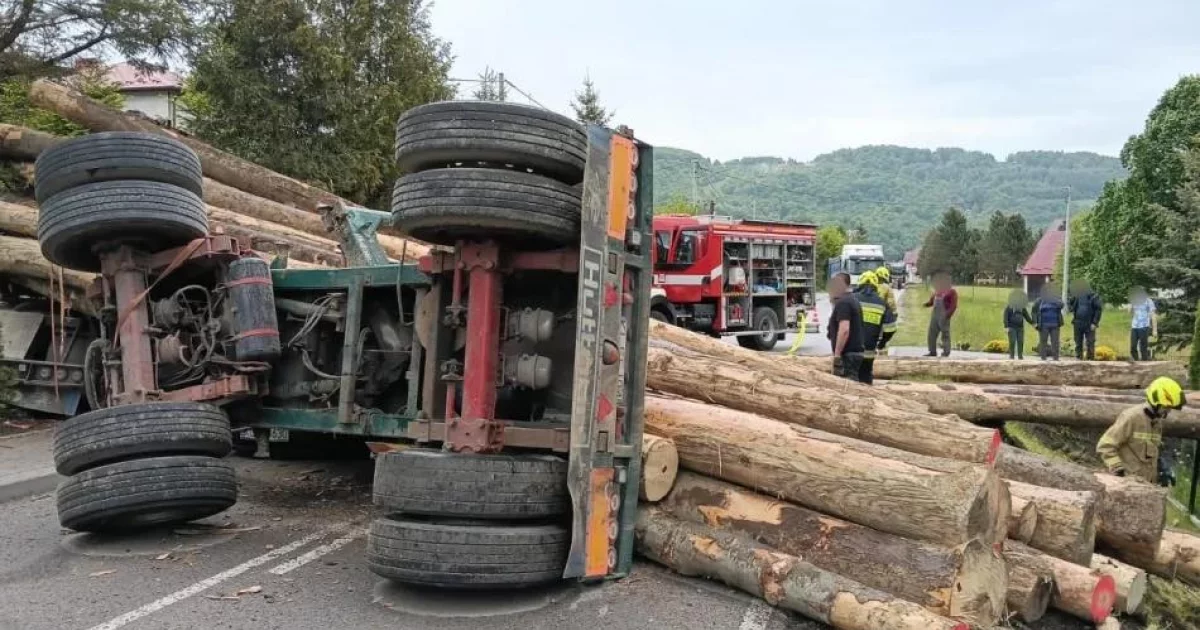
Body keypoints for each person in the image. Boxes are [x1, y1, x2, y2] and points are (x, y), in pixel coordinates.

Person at [1097, 377, 1186, 482]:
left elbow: (1149, 453)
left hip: (1146, 484)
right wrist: (1118, 469)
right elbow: (1105, 446)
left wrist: (1161, 468)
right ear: (1155, 402)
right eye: (1166, 407)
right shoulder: (1132, 417)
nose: (1168, 411)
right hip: (1128, 483)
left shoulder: (1156, 422)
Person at [826, 271, 865, 380]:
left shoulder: (844, 303)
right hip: (853, 354)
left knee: (847, 387)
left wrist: (837, 355)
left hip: (848, 356)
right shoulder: (852, 300)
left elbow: (844, 330)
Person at [854, 271, 890, 384]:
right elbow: (891, 328)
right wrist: (882, 343)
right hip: (869, 352)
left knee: (850, 380)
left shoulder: (852, 299)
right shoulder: (881, 303)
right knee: (866, 378)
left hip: (851, 352)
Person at [922, 271, 957, 357]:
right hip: (935, 315)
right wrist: (926, 304)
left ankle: (946, 352)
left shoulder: (952, 292)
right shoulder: (938, 291)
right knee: (931, 334)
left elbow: (953, 305)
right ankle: (932, 351)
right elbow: (932, 301)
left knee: (945, 334)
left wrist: (947, 315)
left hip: (944, 315)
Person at [1068, 279, 1103, 360]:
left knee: (1090, 342)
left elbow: (1098, 310)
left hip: (1089, 323)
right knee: (1078, 342)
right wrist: (1070, 302)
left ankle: (1090, 359)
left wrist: (1094, 323)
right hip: (1078, 322)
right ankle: (1078, 357)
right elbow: (1070, 304)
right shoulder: (1076, 296)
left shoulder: (1094, 296)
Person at [1032, 283, 1064, 361]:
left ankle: (1056, 358)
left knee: (1055, 342)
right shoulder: (1039, 300)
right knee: (1043, 342)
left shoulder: (1057, 299)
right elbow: (1034, 311)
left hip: (1055, 324)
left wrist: (1053, 300)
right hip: (1043, 325)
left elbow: (1062, 305)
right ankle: (1043, 358)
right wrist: (1035, 322)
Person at [1003, 289, 1034, 360]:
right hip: (1011, 327)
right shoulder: (1009, 307)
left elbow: (1027, 316)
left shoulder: (1022, 307)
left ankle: (1020, 356)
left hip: (1020, 328)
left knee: (1021, 341)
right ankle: (1011, 356)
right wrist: (1006, 327)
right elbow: (1005, 317)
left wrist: (1033, 323)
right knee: (1012, 341)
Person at [1129, 286, 1158, 361]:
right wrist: (1131, 306)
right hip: (1134, 326)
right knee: (1133, 346)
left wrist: (1154, 330)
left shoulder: (1149, 301)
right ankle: (1136, 361)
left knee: (1143, 347)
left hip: (1144, 326)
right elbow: (1130, 313)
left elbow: (1153, 315)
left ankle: (1144, 362)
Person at [874, 266, 898, 353]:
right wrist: (894, 313)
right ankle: (882, 350)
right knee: (884, 334)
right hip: (883, 315)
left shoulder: (872, 286)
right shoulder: (887, 288)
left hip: (872, 315)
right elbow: (891, 303)